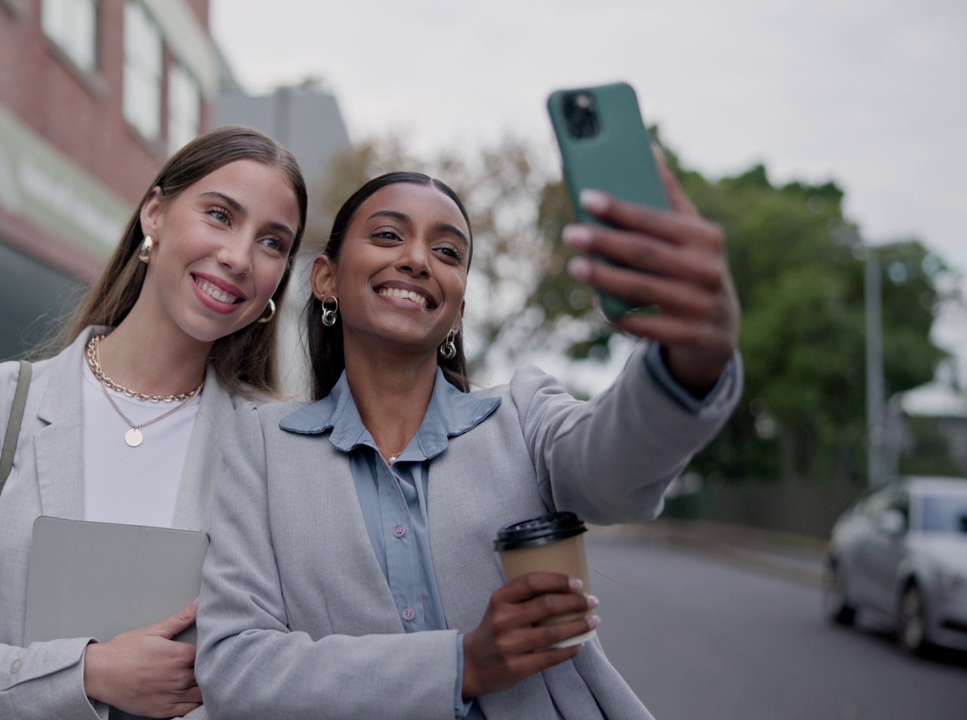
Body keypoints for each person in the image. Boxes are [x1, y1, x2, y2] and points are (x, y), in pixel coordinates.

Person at [195, 164, 743, 719]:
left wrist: (690, 358)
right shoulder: (261, 444)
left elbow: (614, 478)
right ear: (326, 279)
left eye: (449, 252)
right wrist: (464, 664)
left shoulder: (524, 415)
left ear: (458, 309)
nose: (416, 259)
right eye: (388, 235)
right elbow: (235, 668)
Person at [0, 126, 307, 720]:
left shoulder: (270, 443)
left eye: (272, 242)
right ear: (155, 215)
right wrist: (88, 673)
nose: (239, 257)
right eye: (219, 215)